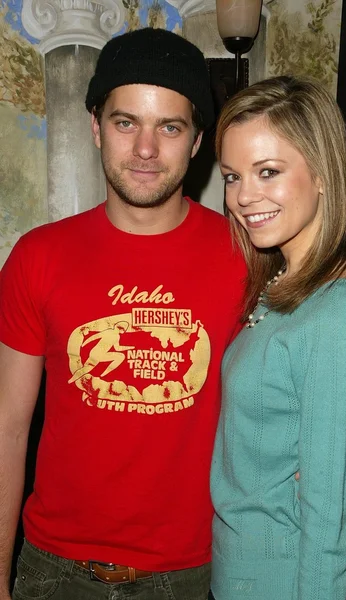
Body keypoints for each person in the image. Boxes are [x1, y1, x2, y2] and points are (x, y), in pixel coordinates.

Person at [0, 28, 247, 600]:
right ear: (95, 126)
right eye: (125, 121)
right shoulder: (38, 257)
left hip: (195, 573)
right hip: (52, 571)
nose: (144, 149)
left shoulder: (247, 256)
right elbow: (8, 427)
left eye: (170, 126)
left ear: (197, 141)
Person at [209, 76, 346, 600]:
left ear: (322, 175)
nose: (244, 197)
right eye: (232, 176)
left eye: (268, 172)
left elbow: (326, 530)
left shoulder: (340, 316)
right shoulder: (285, 286)